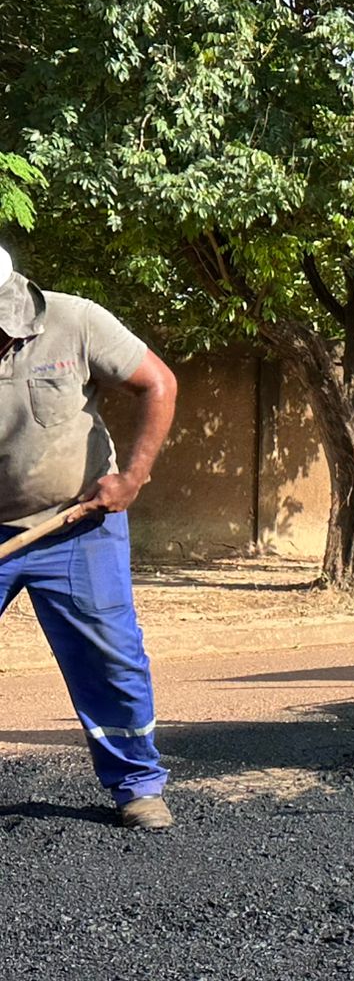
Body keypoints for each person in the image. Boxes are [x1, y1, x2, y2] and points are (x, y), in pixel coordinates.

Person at [0, 246, 178, 830]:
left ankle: (136, 785)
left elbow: (158, 383)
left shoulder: (75, 322)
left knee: (110, 658)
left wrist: (132, 477)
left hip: (76, 525)